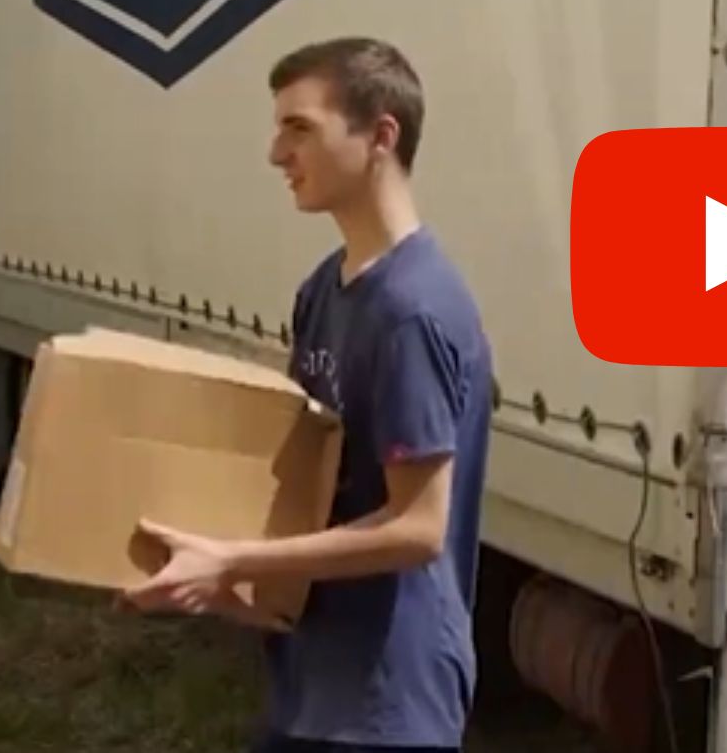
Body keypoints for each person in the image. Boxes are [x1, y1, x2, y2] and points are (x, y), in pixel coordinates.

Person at [125, 37, 495, 753]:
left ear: (380, 135)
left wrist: (232, 560)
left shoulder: (412, 310)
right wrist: (230, 590)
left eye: (299, 128)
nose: (276, 153)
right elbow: (316, 489)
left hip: (388, 708)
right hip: (313, 687)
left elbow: (419, 528)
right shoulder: (324, 289)